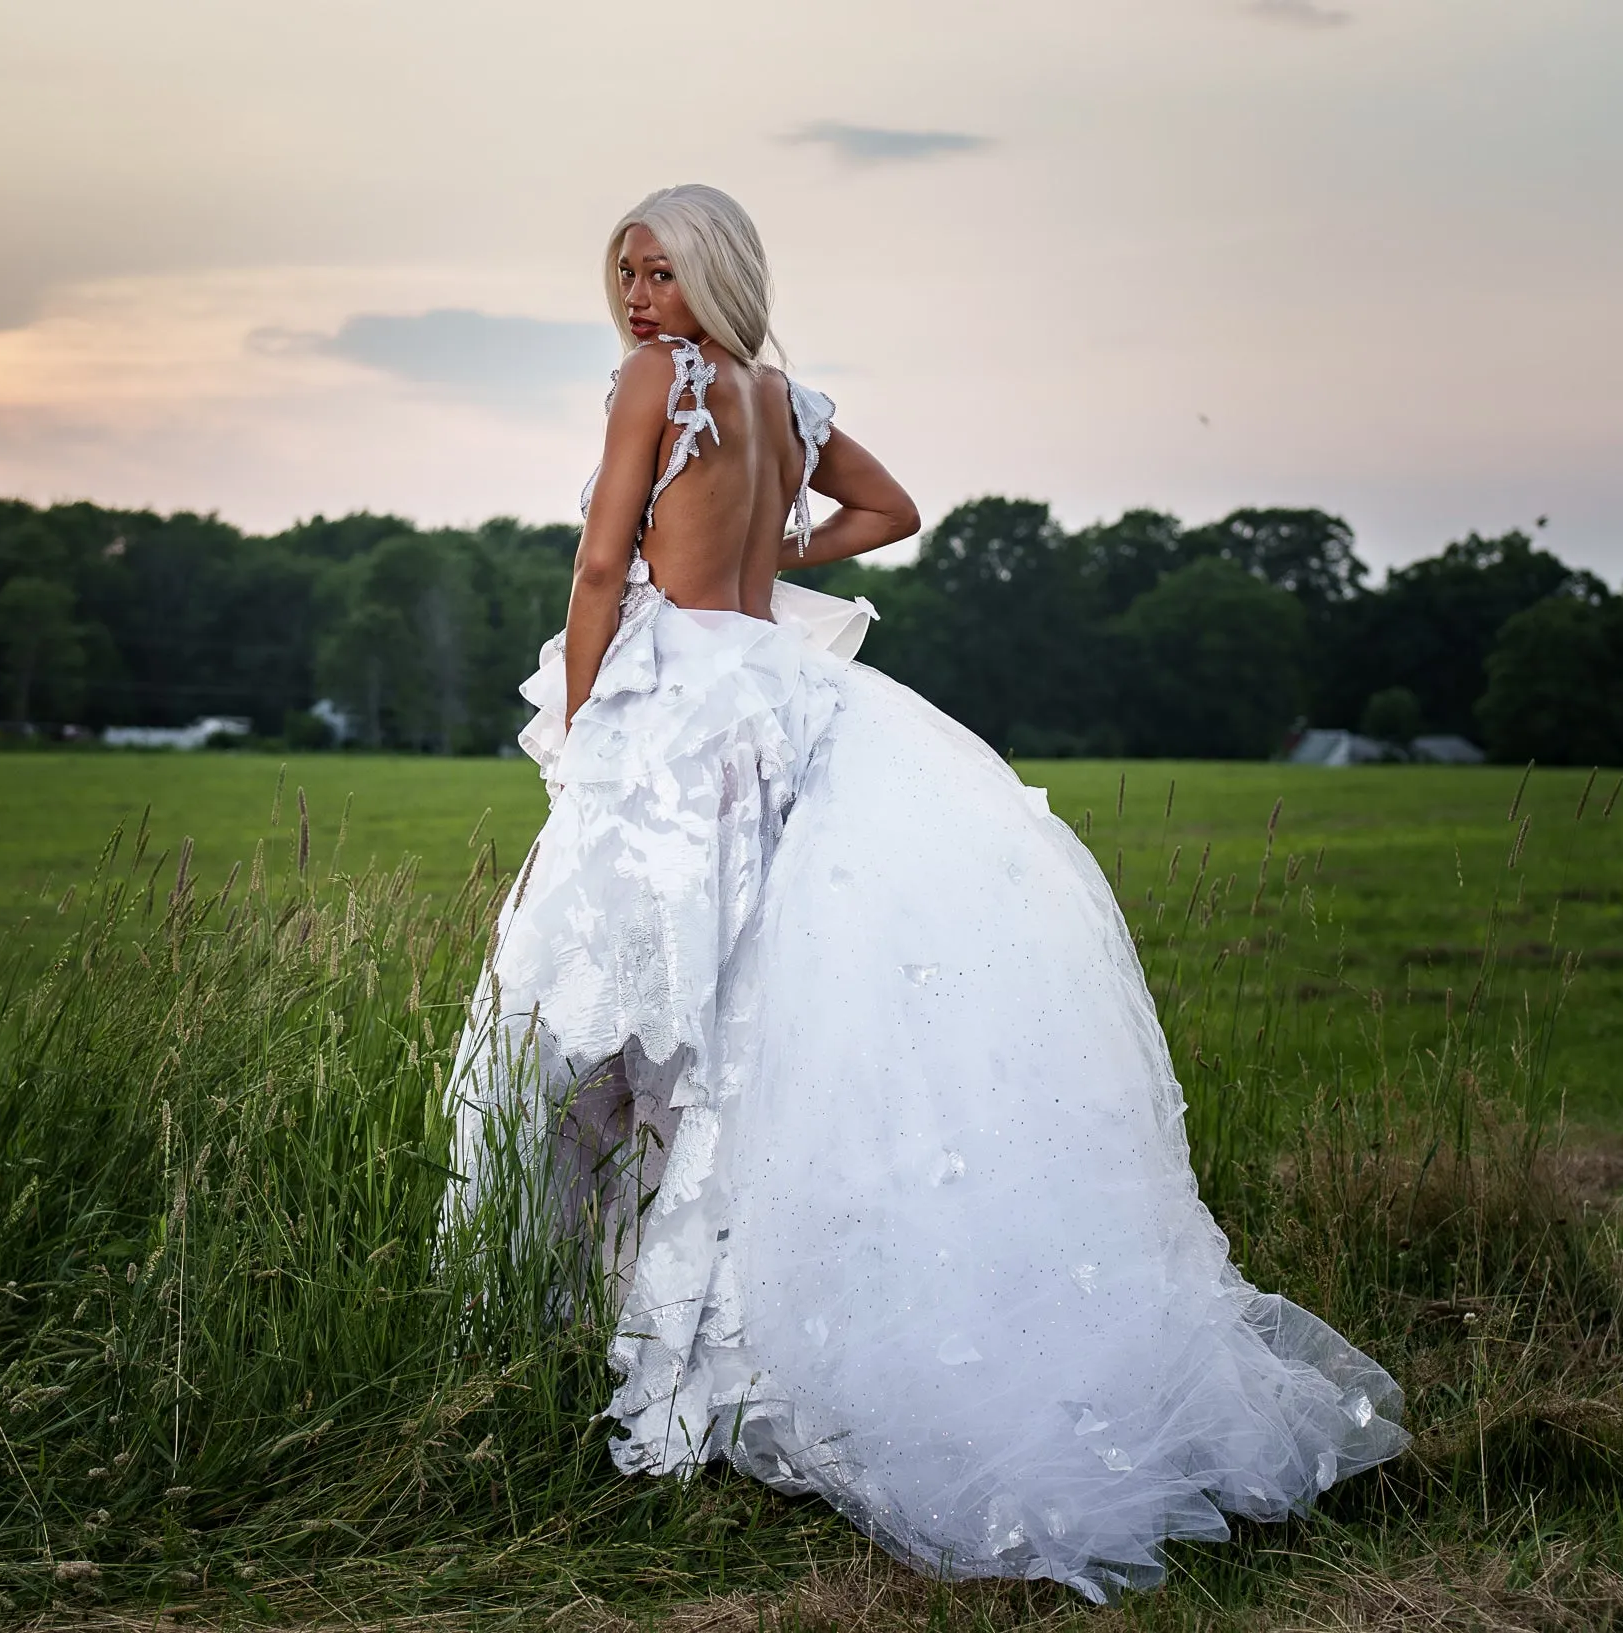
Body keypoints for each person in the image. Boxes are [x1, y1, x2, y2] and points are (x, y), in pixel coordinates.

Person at [445, 183, 1408, 1602]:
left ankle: (608, 1346)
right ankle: (693, 1337)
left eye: (661, 271)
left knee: (614, 1014)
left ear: (714, 277)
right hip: (783, 702)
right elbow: (889, 512)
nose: (640, 297)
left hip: (676, 711)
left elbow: (600, 561)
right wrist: (777, 555)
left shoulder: (665, 379)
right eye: (627, 273)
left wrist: (583, 724)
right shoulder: (783, 399)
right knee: (734, 1019)